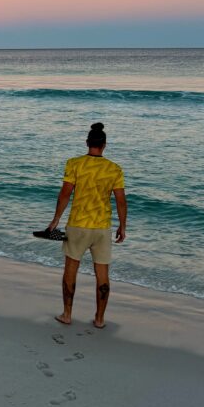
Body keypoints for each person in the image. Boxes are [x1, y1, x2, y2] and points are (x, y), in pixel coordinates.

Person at [48, 122, 127, 328]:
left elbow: (65, 193)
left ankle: (67, 314)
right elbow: (120, 200)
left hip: (78, 226)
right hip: (102, 229)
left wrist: (56, 219)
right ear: (104, 145)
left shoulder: (74, 163)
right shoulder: (114, 169)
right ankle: (99, 320)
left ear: (87, 143)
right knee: (102, 275)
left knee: (70, 270)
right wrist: (123, 226)